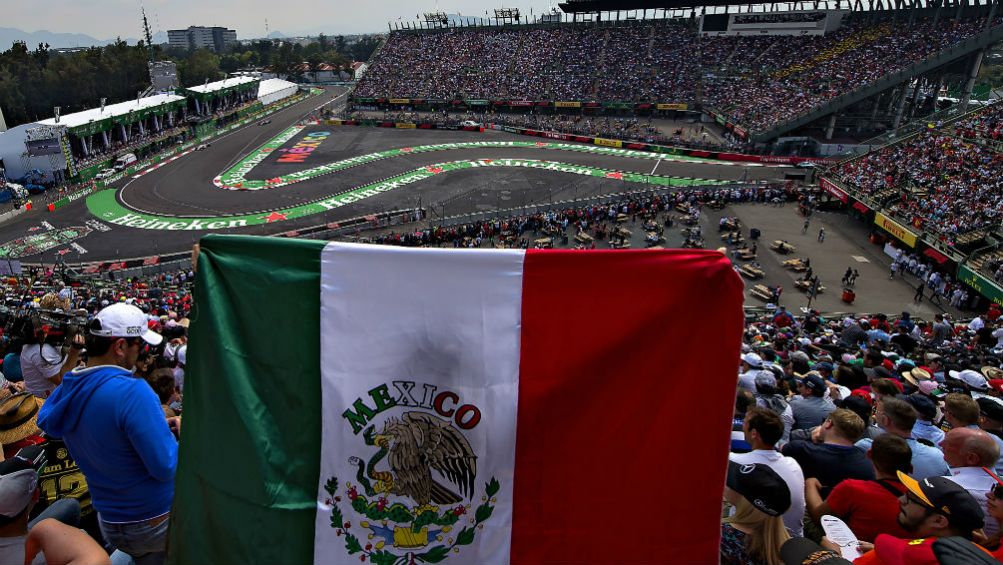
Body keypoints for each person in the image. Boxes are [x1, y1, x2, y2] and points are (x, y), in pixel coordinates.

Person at [37, 303, 174, 565]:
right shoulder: (133, 392)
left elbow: (113, 439)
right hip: (154, 521)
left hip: (111, 524)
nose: (142, 352)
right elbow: (166, 466)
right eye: (139, 345)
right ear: (120, 347)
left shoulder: (70, 389)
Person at [852, 471, 985, 564]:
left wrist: (831, 554)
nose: (901, 500)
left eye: (912, 499)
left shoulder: (931, 554)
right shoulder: (981, 554)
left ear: (939, 520)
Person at [803, 433, 913, 543]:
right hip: (899, 555)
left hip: (858, 554)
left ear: (869, 455)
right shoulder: (921, 497)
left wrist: (810, 483)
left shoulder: (852, 488)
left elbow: (819, 517)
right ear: (909, 466)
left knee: (806, 513)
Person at [0, 458, 104, 565]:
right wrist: (82, 537)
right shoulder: (44, 556)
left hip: (12, 536)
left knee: (68, 505)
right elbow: (99, 560)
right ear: (36, 495)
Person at [730, 407, 805, 536]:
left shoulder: (735, 461)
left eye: (745, 422)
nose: (742, 425)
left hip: (758, 539)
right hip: (793, 536)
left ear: (754, 433)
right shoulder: (793, 464)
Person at [782, 408, 873, 497]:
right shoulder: (868, 461)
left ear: (828, 424)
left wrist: (809, 436)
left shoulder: (800, 449)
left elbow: (781, 447)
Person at [856, 397, 950, 480]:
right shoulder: (938, 455)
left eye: (876, 411)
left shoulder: (865, 447)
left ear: (885, 420)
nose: (875, 413)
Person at [721, 461, 791, 565]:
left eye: (732, 482)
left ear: (745, 500)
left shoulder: (722, 538)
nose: (726, 483)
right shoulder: (788, 545)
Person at [940, 427, 1001, 539]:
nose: (940, 444)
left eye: (948, 443)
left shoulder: (941, 486)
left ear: (971, 458)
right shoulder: (999, 488)